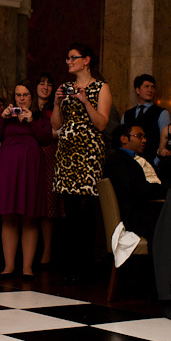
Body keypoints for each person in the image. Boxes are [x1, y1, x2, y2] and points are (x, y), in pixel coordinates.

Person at [52, 45, 112, 265]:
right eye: (67, 58)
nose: (68, 61)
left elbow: (102, 124)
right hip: (66, 152)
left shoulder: (101, 87)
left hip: (88, 152)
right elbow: (56, 125)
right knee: (68, 209)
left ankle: (85, 263)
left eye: (73, 58)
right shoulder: (65, 87)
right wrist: (57, 103)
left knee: (86, 209)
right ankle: (68, 262)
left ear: (86, 60)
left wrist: (86, 101)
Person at [0, 81, 52, 278]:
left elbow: (46, 139)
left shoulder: (40, 117)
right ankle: (8, 266)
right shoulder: (6, 119)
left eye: (25, 95)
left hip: (30, 170)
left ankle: (27, 268)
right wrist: (1, 117)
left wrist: (31, 120)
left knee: (29, 218)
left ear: (31, 98)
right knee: (8, 216)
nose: (22, 98)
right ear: (13, 98)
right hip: (7, 171)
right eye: (18, 95)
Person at [103, 124, 171, 241]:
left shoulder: (128, 159)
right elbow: (141, 190)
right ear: (123, 139)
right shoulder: (118, 161)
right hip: (135, 218)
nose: (144, 140)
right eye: (139, 136)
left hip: (139, 213)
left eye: (144, 136)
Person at [36, 73, 64, 266]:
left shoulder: (56, 108)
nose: (45, 87)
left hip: (49, 157)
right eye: (41, 83)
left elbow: (60, 130)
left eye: (49, 84)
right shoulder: (26, 106)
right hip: (29, 156)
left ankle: (47, 252)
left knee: (48, 206)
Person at [121, 74, 170, 165]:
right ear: (138, 90)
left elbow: (166, 140)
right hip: (129, 162)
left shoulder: (162, 113)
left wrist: (156, 161)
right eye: (146, 86)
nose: (150, 90)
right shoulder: (127, 114)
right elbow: (121, 139)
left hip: (152, 162)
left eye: (153, 87)